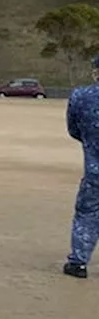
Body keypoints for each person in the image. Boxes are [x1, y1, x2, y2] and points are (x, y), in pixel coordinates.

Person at [65, 53, 99, 279]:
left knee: (87, 213)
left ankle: (79, 261)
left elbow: (74, 130)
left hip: (95, 169)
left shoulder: (81, 96)